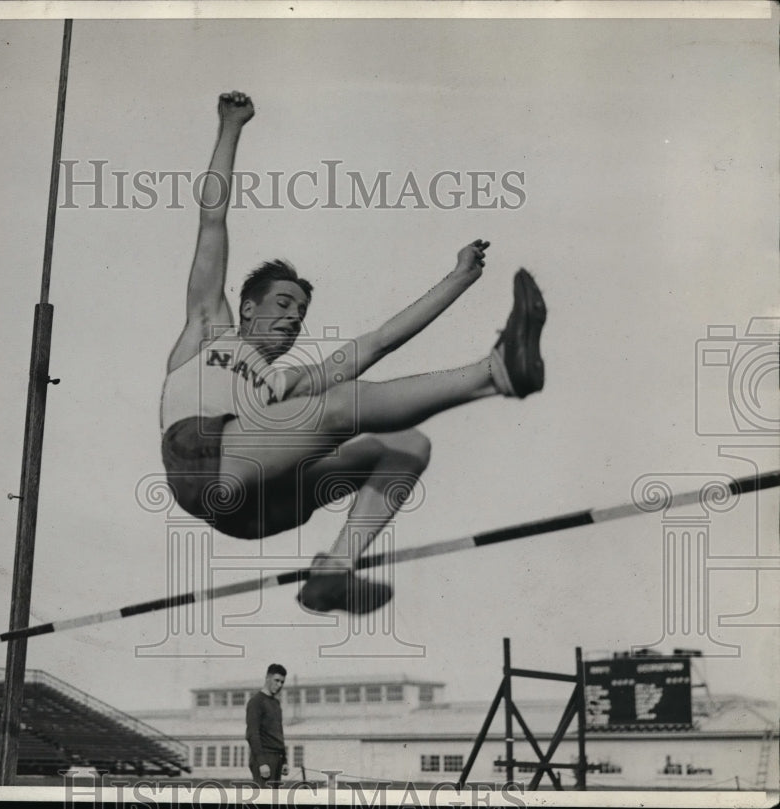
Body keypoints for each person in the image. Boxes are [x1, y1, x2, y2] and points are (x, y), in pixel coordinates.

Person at [160, 91, 547, 614]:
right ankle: (495, 373)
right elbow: (212, 224)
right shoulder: (210, 330)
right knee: (342, 402)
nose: (294, 318)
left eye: (301, 313)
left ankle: (334, 574)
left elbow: (379, 342)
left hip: (257, 508)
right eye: (283, 303)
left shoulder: (286, 388)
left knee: (406, 445)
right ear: (245, 309)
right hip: (201, 462)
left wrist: (458, 278)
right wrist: (232, 127)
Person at [245, 663, 289, 787]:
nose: (279, 685)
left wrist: (284, 760)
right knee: (264, 799)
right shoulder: (256, 702)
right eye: (276, 680)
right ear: (267, 678)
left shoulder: (276, 703)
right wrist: (262, 762)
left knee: (274, 801)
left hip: (277, 758)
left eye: (282, 682)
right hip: (265, 757)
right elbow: (252, 734)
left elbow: (279, 733)